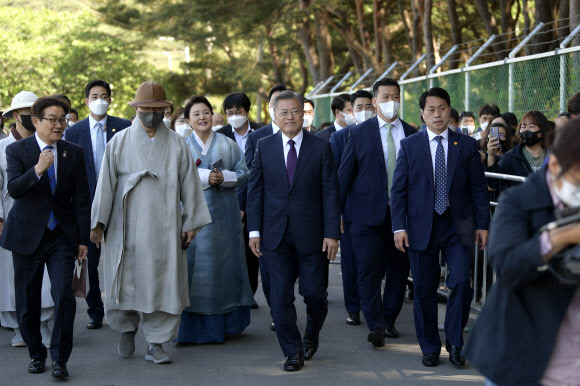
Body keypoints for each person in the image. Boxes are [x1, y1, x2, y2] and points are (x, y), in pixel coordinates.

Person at [90, 81, 211, 364]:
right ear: (136, 109)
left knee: (164, 283)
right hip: (125, 223)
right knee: (124, 279)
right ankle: (126, 328)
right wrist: (98, 223)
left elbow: (190, 185)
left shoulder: (178, 144)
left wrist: (191, 222)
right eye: (146, 109)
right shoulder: (118, 141)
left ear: (166, 110)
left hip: (165, 225)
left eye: (158, 109)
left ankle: (156, 341)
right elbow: (104, 184)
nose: (152, 114)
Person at [465, 120, 580, 385]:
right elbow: (506, 265)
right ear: (555, 166)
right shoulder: (519, 201)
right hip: (524, 360)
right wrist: (560, 237)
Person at [391, 87, 489, 368]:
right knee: (424, 288)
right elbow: (398, 191)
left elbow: (478, 189)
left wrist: (482, 224)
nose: (437, 114)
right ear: (422, 114)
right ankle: (430, 346)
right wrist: (399, 227)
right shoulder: (410, 145)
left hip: (457, 227)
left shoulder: (467, 145)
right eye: (431, 109)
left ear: (450, 111)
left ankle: (456, 343)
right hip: (421, 226)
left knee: (459, 282)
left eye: (442, 108)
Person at [247, 90, 341, 372]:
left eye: (295, 111)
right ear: (274, 116)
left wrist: (332, 232)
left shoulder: (321, 147)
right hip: (274, 235)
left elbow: (330, 192)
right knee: (278, 296)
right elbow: (255, 192)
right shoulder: (264, 146)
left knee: (314, 294)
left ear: (304, 113)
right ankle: (292, 350)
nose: (290, 117)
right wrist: (253, 232)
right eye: (283, 112)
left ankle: (312, 333)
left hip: (312, 235)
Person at [0, 96, 91, 378]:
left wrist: (82, 239)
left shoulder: (72, 152)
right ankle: (36, 354)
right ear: (36, 121)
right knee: (27, 300)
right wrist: (38, 169)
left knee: (64, 295)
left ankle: (60, 359)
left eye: (62, 119)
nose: (59, 124)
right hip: (27, 234)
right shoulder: (16, 150)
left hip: (61, 236)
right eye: (52, 119)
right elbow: (14, 188)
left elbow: (82, 198)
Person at [338, 79, 416, 346]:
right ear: (375, 102)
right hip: (365, 216)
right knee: (368, 269)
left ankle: (389, 318)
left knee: (398, 269)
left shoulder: (411, 133)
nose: (390, 101)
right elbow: (344, 176)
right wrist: (335, 215)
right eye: (385, 96)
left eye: (395, 96)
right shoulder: (358, 133)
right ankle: (376, 324)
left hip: (402, 217)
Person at [176, 95, 254, 343]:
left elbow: (244, 173)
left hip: (225, 216)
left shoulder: (227, 144)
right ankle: (193, 328)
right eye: (196, 114)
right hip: (193, 219)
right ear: (188, 120)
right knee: (194, 269)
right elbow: (173, 177)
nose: (202, 117)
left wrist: (225, 178)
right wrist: (204, 177)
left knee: (226, 266)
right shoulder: (181, 146)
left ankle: (228, 324)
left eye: (206, 112)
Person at [65, 79, 131, 330]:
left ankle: (124, 305)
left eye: (104, 96)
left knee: (121, 257)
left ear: (110, 100)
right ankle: (95, 310)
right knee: (90, 260)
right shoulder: (74, 132)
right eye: (94, 96)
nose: (99, 100)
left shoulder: (123, 128)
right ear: (86, 101)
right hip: (87, 206)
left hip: (120, 204)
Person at [0, 91, 54, 349]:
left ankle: (42, 323)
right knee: (13, 276)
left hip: (45, 221)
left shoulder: (47, 143)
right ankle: (18, 327)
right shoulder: (2, 148)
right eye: (21, 111)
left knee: (41, 278)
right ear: (12, 115)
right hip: (11, 219)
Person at [244, 83, 287, 330]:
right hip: (270, 220)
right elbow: (253, 184)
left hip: (300, 221)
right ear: (271, 108)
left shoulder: (310, 140)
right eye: (277, 103)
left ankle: (284, 307)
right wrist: (253, 225)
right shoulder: (257, 138)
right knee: (272, 274)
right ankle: (277, 312)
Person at [329, 89, 373, 326]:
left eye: (369, 106)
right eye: (359, 108)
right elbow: (337, 179)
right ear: (351, 111)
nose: (365, 111)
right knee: (351, 262)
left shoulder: (382, 134)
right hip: (350, 210)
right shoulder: (340, 137)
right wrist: (339, 213)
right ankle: (354, 307)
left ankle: (375, 307)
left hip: (377, 209)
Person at [217, 93, 263, 303]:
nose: (234, 116)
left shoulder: (262, 132)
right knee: (229, 250)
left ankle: (250, 293)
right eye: (230, 113)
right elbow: (217, 168)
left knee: (251, 247)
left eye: (238, 112)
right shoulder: (220, 135)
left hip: (256, 197)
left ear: (247, 112)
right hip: (229, 196)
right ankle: (231, 293)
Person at [489, 111, 552, 183]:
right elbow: (494, 182)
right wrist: (491, 155)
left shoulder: (554, 155)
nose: (526, 130)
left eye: (531, 126)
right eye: (523, 127)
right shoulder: (511, 157)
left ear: (542, 132)